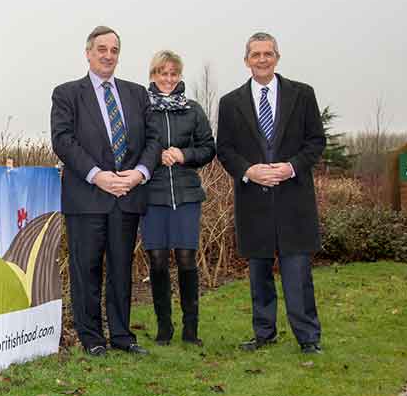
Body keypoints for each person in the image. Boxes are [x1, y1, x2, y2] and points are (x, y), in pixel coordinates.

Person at [51, 26, 159, 356]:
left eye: (114, 49)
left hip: (127, 196)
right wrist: (97, 175)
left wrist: (139, 174)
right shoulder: (67, 94)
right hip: (87, 197)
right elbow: (63, 141)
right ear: (88, 53)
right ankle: (92, 337)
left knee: (121, 269)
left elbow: (154, 140)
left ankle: (123, 336)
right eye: (101, 49)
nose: (108, 55)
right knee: (87, 270)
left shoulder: (138, 94)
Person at [216, 32, 326, 354]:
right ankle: (264, 333)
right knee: (259, 275)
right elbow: (225, 150)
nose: (262, 60)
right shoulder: (230, 103)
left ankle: (308, 338)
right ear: (246, 60)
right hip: (253, 202)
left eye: (268, 54)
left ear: (277, 57)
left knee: (298, 276)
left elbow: (315, 142)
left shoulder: (302, 95)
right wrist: (249, 171)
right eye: (255, 54)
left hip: (294, 200)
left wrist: (290, 167)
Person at [142, 50, 216, 346]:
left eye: (173, 73)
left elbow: (208, 148)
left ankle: (190, 328)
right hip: (152, 195)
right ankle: (164, 328)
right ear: (153, 75)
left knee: (186, 259)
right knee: (157, 260)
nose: (168, 79)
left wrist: (185, 155)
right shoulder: (142, 109)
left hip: (186, 194)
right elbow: (131, 147)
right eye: (162, 73)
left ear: (179, 76)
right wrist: (154, 156)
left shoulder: (193, 110)